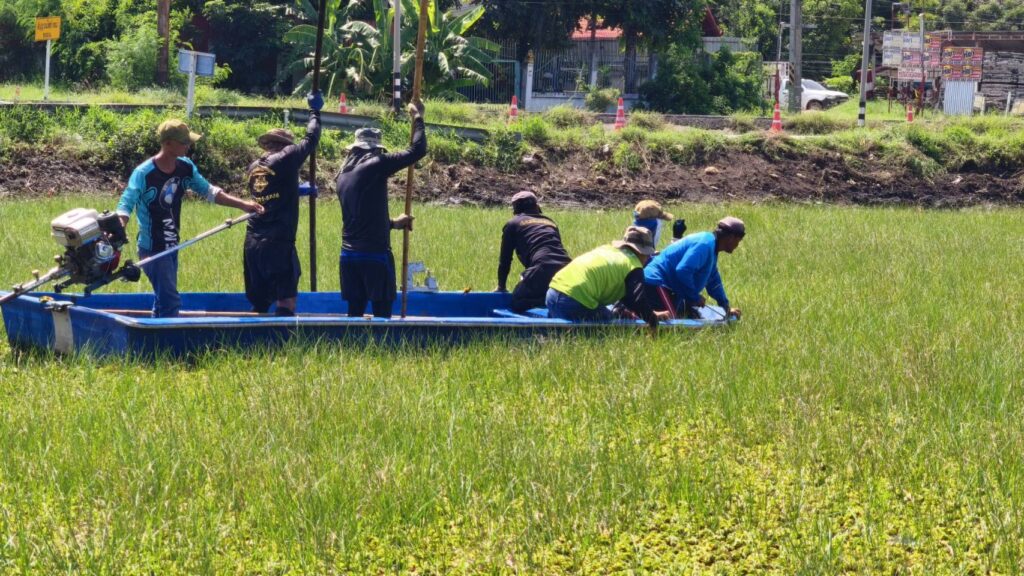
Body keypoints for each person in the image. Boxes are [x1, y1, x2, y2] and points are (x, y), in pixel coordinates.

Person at [117, 119, 263, 318]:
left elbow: (209, 191)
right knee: (170, 301)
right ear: (168, 143)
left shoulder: (185, 167)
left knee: (163, 300)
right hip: (152, 248)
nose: (188, 146)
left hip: (172, 245)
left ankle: (155, 333)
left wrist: (243, 204)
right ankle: (167, 336)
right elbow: (127, 202)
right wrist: (120, 225)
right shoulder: (144, 173)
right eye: (184, 142)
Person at [336, 100, 426, 318]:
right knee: (383, 317)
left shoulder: (342, 174)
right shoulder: (376, 163)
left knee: (354, 315)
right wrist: (418, 117)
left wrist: (393, 223)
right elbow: (417, 150)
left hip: (348, 256)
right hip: (374, 255)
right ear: (375, 149)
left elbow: (361, 218)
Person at [242, 91, 324, 317]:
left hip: (252, 242)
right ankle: (282, 336)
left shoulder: (254, 167)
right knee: (286, 300)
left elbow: (270, 193)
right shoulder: (287, 156)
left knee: (260, 301)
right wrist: (315, 112)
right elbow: (311, 138)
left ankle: (256, 336)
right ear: (285, 145)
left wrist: (298, 190)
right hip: (277, 240)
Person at [546, 226, 670, 331]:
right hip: (573, 300)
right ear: (643, 253)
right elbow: (637, 300)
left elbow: (627, 297)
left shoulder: (607, 249)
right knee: (610, 327)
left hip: (553, 292)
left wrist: (650, 313)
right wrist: (653, 322)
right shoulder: (633, 265)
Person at [643, 216, 745, 320]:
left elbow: (714, 282)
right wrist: (694, 296)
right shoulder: (704, 244)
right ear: (731, 237)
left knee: (688, 316)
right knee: (672, 323)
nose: (737, 245)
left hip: (668, 288)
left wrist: (725, 307)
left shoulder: (711, 247)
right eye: (738, 240)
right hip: (656, 283)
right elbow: (683, 270)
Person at [496, 191, 571, 312]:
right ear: (537, 206)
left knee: (517, 301)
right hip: (567, 267)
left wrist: (501, 287)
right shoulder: (550, 222)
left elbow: (505, 259)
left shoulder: (513, 224)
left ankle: (544, 300)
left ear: (516, 209)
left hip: (541, 266)